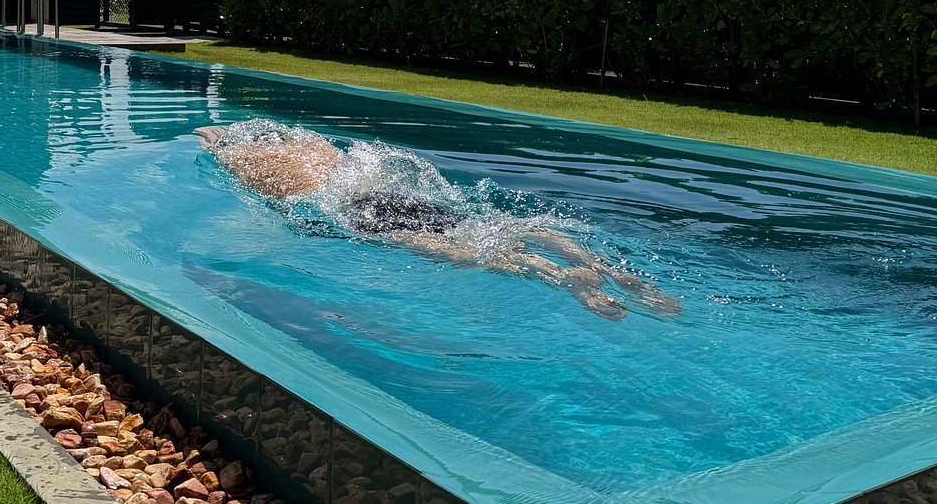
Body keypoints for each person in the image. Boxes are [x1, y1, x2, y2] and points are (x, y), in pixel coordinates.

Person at [195, 121, 680, 322]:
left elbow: (215, 144)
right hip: (386, 194)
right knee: (495, 227)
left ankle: (556, 276)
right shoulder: (314, 146)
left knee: (465, 252)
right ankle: (609, 271)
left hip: (355, 211)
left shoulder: (245, 162)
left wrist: (215, 142)